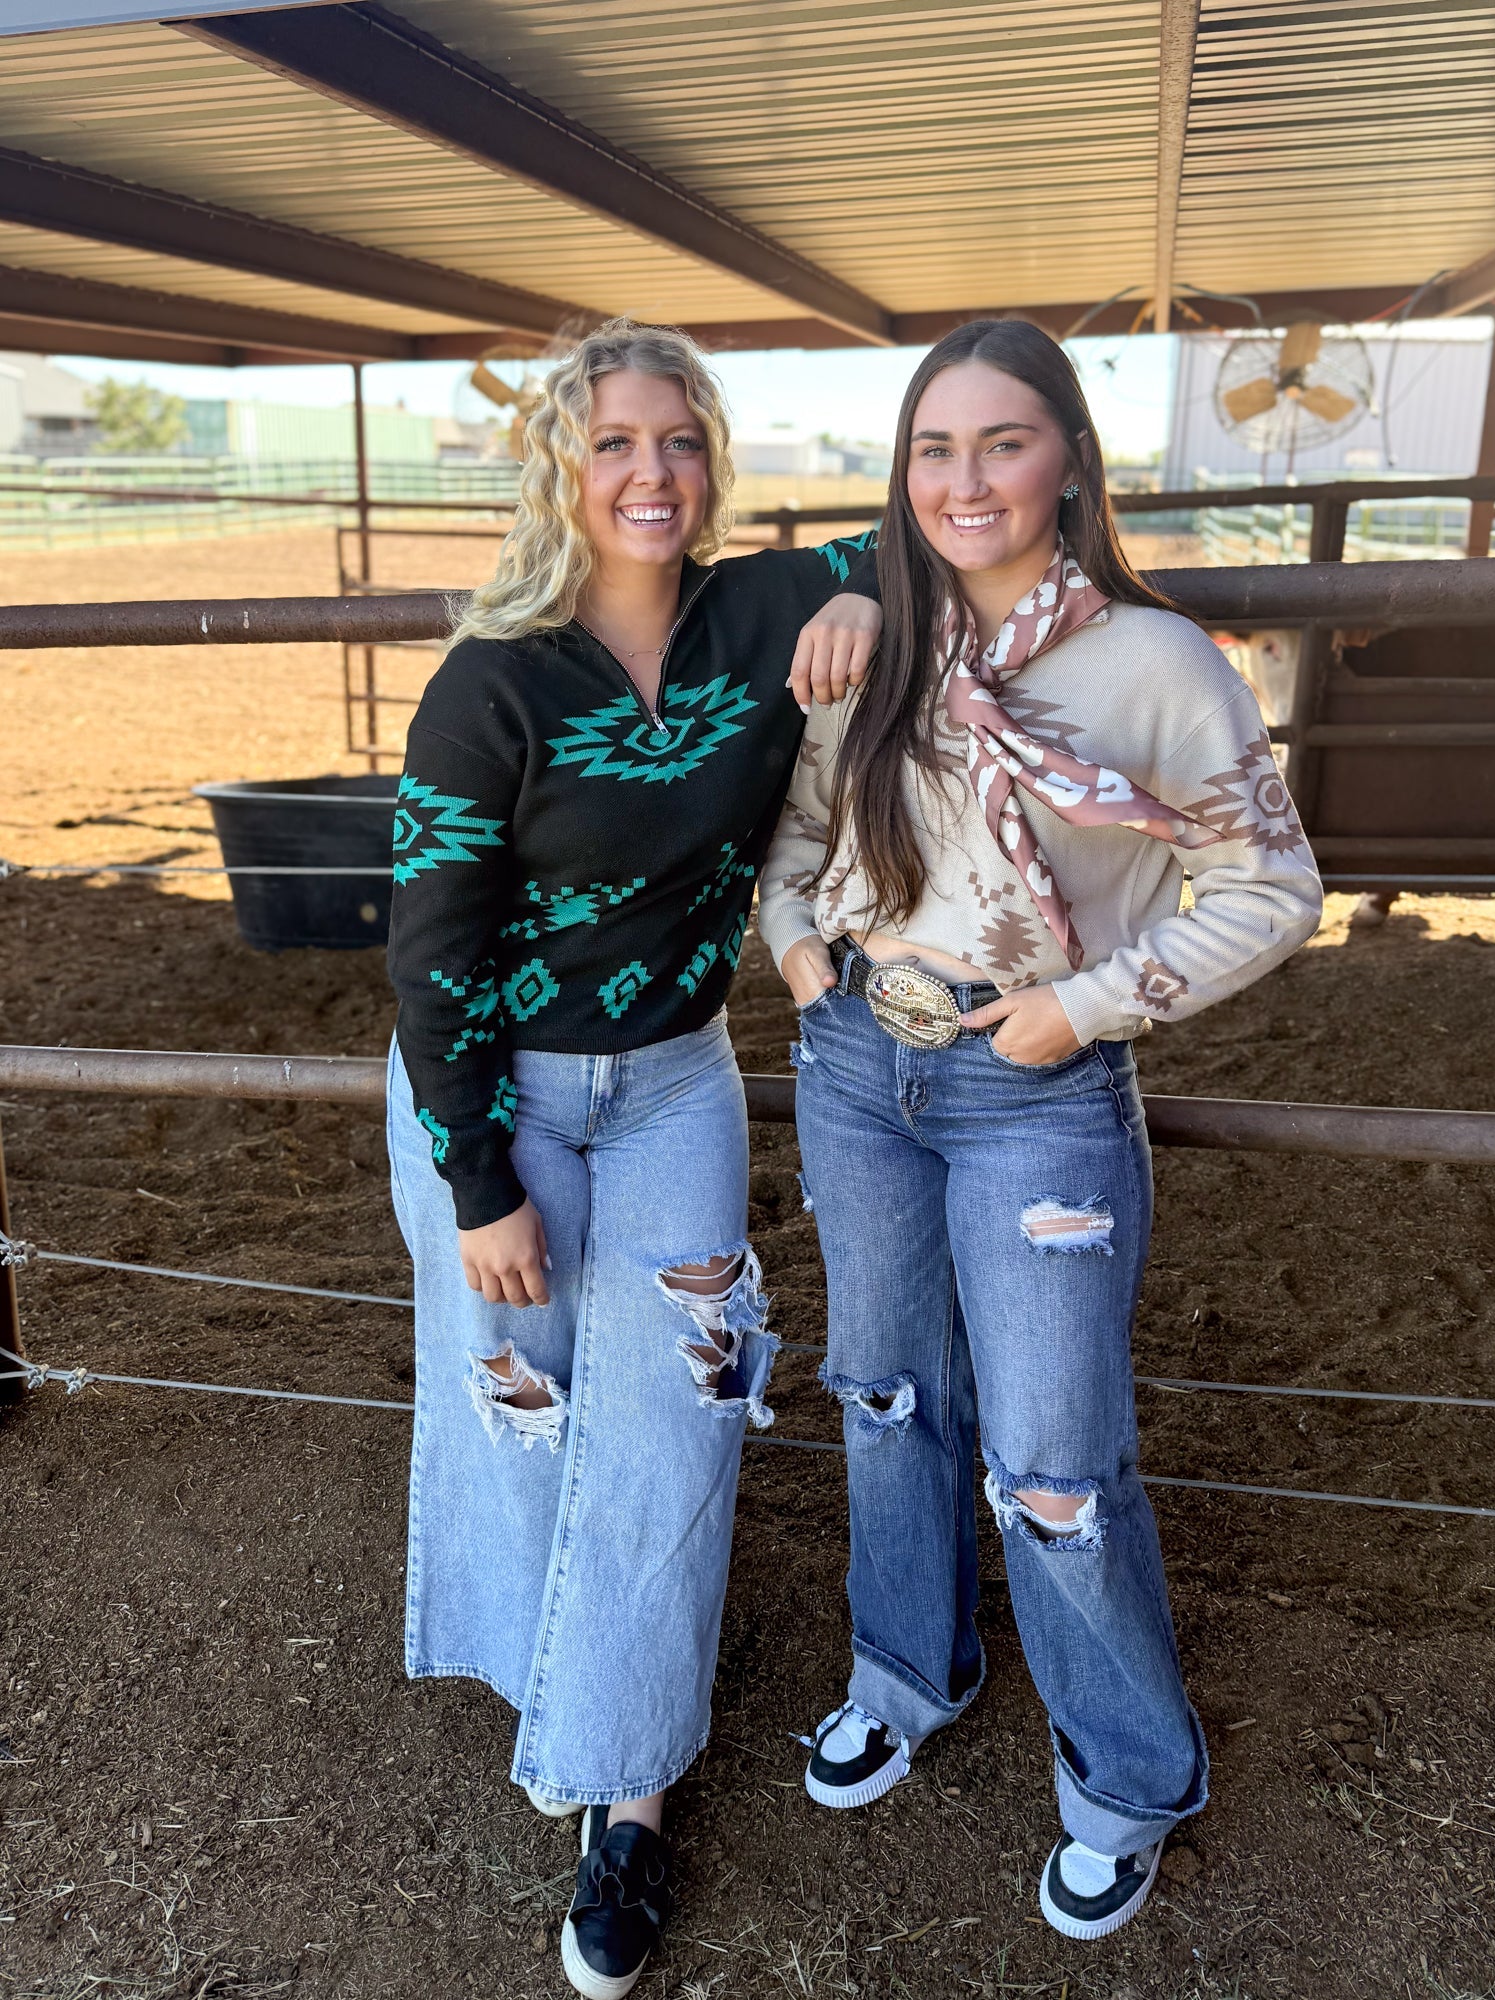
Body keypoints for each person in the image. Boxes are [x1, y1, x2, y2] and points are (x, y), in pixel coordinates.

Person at [759, 318, 1323, 1942]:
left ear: (1069, 458)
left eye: (1002, 442)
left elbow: (1271, 886)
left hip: (1036, 1080)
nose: (966, 479)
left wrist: (1090, 1004)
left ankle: (1131, 1775)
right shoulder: (874, 645)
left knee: (1056, 1462)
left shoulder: (1155, 664)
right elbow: (797, 832)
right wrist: (799, 950)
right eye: (934, 449)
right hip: (861, 1056)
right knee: (881, 1393)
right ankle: (906, 1669)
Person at [385, 318, 881, 2000]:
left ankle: (630, 1795)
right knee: (523, 1403)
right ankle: (565, 1694)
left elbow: (948, 528)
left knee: (684, 1401)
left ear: (711, 460)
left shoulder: (766, 608)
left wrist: (871, 603)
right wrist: (477, 1181)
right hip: (496, 1095)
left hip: (675, 1082)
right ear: (564, 467)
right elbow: (432, 946)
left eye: (678, 440)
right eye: (614, 443)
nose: (650, 472)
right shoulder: (496, 678)